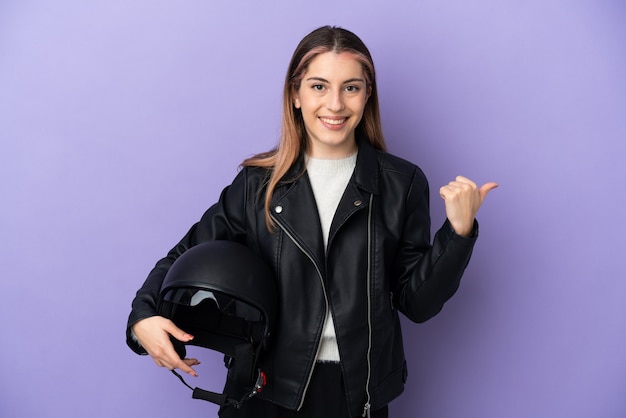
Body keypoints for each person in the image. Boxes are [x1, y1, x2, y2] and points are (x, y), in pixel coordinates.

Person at [126, 25, 497, 418]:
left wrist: (457, 234)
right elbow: (185, 255)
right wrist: (143, 318)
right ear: (296, 95)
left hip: (357, 397)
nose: (335, 104)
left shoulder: (401, 184)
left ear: (367, 95)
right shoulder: (257, 184)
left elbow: (418, 304)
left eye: (351, 87)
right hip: (263, 389)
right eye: (319, 86)